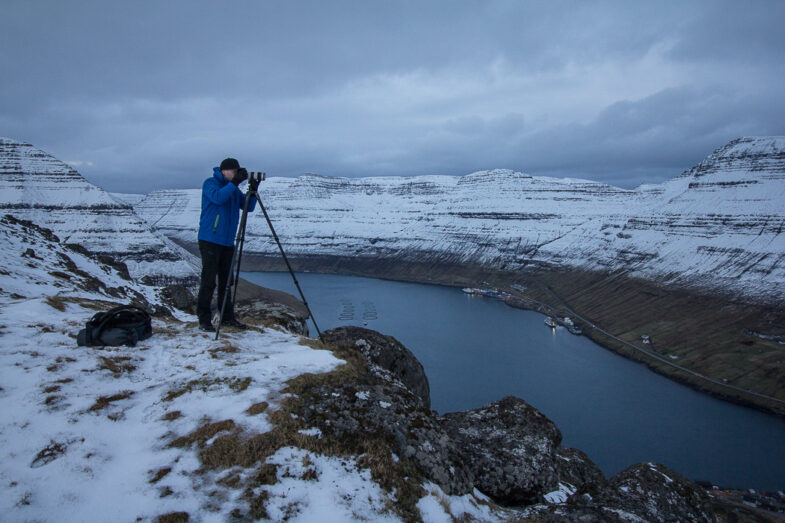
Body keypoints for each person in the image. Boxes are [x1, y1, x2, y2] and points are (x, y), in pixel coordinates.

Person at [196, 157, 256, 332]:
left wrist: (253, 190)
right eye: (234, 171)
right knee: (208, 282)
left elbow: (248, 207)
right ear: (224, 171)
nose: (236, 174)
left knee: (226, 282)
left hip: (228, 242)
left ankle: (227, 317)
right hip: (210, 240)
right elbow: (218, 198)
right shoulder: (210, 184)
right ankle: (204, 320)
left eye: (238, 172)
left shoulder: (233, 189)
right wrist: (234, 184)